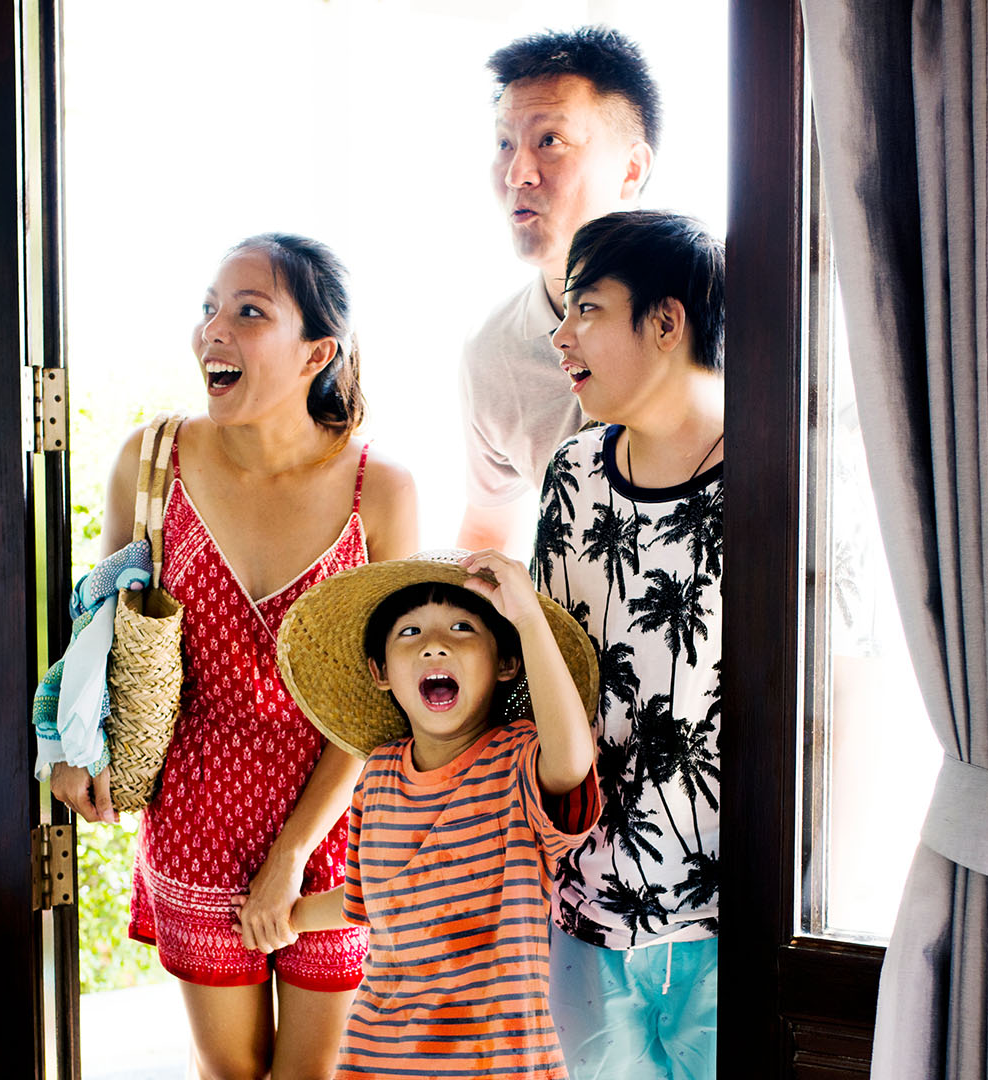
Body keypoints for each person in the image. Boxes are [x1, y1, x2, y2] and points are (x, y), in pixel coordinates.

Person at [50, 233, 418, 1080]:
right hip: (194, 817)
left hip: (336, 828)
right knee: (229, 1074)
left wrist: (292, 852)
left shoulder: (382, 491)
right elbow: (97, 635)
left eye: (249, 312)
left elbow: (384, 707)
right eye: (209, 307)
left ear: (317, 352)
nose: (214, 330)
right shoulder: (152, 462)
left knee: (310, 1077)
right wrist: (68, 753)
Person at [266, 551, 600, 1078]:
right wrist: (287, 916)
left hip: (498, 1062)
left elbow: (572, 762)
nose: (435, 644)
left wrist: (529, 619)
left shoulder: (519, 760)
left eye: (463, 627)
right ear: (380, 672)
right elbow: (368, 900)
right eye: (410, 632)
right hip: (378, 1058)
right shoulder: (375, 776)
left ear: (506, 664)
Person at [533, 210, 725, 1080]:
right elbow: (540, 683)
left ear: (667, 321)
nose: (561, 336)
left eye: (587, 309)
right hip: (583, 908)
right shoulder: (572, 473)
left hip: (734, 916)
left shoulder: (778, 478)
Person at [458, 26, 661, 555]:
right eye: (505, 143)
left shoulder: (733, 304)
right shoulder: (493, 352)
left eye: (550, 141)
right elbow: (487, 537)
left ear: (631, 168)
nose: (518, 173)